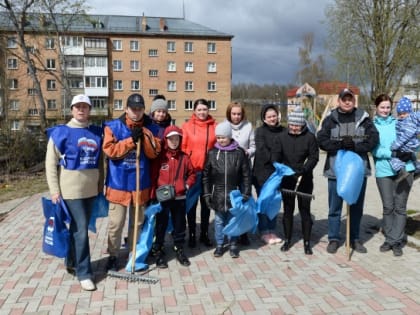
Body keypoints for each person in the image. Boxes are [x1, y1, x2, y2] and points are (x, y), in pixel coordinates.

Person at [45, 94, 103, 291]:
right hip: (71, 191)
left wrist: (100, 185)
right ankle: (84, 272)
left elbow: (100, 164)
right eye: (77, 107)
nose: (81, 110)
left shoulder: (96, 133)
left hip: (91, 191)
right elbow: (50, 164)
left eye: (85, 107)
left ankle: (71, 262)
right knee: (81, 230)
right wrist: (54, 191)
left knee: (76, 230)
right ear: (71, 110)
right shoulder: (61, 133)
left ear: (89, 110)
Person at [103, 93, 161, 271]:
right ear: (126, 109)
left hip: (140, 184)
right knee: (116, 224)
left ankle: (133, 255)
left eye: (140, 109)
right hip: (118, 184)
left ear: (144, 110)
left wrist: (143, 138)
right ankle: (113, 255)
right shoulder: (113, 126)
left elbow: (154, 153)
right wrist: (130, 141)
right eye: (133, 109)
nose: (136, 113)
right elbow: (110, 151)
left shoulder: (151, 127)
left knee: (136, 224)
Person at [317, 88, 379, 254]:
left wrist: (356, 146)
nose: (347, 102)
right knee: (334, 208)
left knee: (356, 207)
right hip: (335, 170)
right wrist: (339, 145)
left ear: (354, 101)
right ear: (339, 101)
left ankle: (355, 238)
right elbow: (321, 140)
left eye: (350, 99)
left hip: (358, 171)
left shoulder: (364, 119)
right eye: (344, 99)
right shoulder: (330, 119)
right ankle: (334, 238)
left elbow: (373, 139)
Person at [372, 94, 416, 256]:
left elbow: (413, 144)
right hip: (383, 171)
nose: (385, 110)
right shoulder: (372, 126)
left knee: (400, 207)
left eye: (388, 107)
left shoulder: (401, 122)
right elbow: (374, 149)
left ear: (392, 108)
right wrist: (392, 151)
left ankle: (395, 241)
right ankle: (390, 237)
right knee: (388, 207)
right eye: (382, 107)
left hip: (405, 169)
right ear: (376, 107)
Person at [202, 121, 252, 258]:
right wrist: (206, 193)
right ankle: (219, 244)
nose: (221, 140)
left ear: (230, 136)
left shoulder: (239, 153)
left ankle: (233, 244)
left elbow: (246, 175)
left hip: (233, 194)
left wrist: (246, 192)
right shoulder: (212, 153)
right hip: (218, 194)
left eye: (223, 137)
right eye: (218, 137)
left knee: (232, 220)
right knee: (218, 220)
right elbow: (206, 175)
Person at [150, 126, 196, 268]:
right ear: (166, 140)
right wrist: (153, 194)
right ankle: (158, 249)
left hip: (179, 198)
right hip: (163, 199)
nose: (174, 142)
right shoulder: (160, 157)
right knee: (161, 225)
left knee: (179, 224)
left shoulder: (184, 157)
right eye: (171, 139)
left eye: (176, 139)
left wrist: (186, 185)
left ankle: (179, 248)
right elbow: (154, 176)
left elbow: (192, 174)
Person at [279, 107, 319, 255]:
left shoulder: (310, 137)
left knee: (305, 211)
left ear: (302, 125)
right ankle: (287, 239)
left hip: (305, 179)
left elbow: (314, 157)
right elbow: (277, 156)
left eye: (297, 125)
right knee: (288, 211)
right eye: (292, 125)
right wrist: (286, 170)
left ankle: (307, 242)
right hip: (287, 179)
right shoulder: (282, 137)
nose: (294, 128)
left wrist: (305, 169)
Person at [181, 98, 217, 248]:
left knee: (206, 204)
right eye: (199, 109)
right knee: (191, 204)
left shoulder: (215, 126)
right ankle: (192, 235)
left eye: (204, 109)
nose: (202, 112)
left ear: (208, 110)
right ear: (194, 111)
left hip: (208, 173)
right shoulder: (187, 127)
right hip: (193, 173)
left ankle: (204, 234)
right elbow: (182, 149)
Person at [252, 104, 285, 245]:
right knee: (264, 202)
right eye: (269, 116)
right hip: (263, 173)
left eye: (274, 115)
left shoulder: (284, 131)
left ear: (278, 116)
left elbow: (287, 148)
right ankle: (264, 231)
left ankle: (272, 230)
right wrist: (276, 162)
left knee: (275, 202)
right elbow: (262, 150)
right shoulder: (260, 132)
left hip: (278, 174)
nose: (272, 118)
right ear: (264, 119)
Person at [226, 101, 256, 246]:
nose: (236, 116)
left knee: (244, 200)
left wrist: (248, 152)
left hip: (244, 169)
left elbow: (253, 146)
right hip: (230, 170)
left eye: (239, 114)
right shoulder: (224, 126)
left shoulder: (249, 126)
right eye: (234, 114)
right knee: (231, 202)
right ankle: (232, 232)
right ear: (229, 114)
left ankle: (244, 233)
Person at [389, 97, 419, 183]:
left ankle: (401, 171)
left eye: (404, 113)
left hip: (407, 145)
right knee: (412, 156)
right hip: (412, 145)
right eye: (400, 114)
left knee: (394, 157)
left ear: (409, 112)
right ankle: (418, 168)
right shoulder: (406, 120)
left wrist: (395, 145)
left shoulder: (409, 122)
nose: (402, 116)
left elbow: (406, 136)